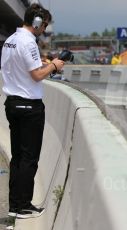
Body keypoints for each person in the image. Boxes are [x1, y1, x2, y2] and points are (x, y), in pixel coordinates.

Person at [0, 4, 64, 219]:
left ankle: (15, 205)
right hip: (29, 107)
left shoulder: (10, 40)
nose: (44, 29)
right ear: (37, 22)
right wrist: (54, 65)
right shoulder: (28, 42)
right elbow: (37, 75)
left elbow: (23, 69)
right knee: (29, 158)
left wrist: (44, 64)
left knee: (18, 157)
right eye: (44, 25)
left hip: (12, 104)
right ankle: (23, 206)